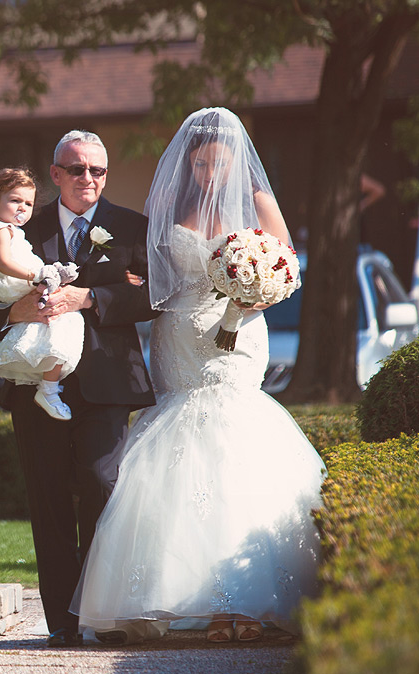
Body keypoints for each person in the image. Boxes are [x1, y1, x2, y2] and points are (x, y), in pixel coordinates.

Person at [69, 107, 324, 645]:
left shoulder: (256, 202)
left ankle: (247, 602)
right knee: (180, 437)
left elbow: (288, 268)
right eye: (202, 165)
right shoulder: (170, 202)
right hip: (179, 335)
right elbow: (148, 270)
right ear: (189, 163)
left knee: (234, 437)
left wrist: (251, 293)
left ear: (236, 163)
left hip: (239, 334)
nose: (210, 176)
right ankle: (182, 598)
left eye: (219, 166)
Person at [0, 131, 158, 648]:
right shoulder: (21, 223)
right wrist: (13, 310)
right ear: (56, 173)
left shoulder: (129, 227)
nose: (88, 180)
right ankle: (63, 623)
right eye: (77, 170)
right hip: (34, 380)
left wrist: (90, 298)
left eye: (97, 170)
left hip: (107, 378)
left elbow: (154, 298)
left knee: (100, 484)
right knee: (48, 497)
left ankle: (102, 609)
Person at [0, 167, 85, 423]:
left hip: (7, 286)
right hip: (13, 282)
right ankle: (49, 389)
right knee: (67, 320)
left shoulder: (2, 230)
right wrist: (35, 276)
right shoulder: (1, 230)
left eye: (28, 203)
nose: (22, 208)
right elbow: (4, 264)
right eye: (15, 200)